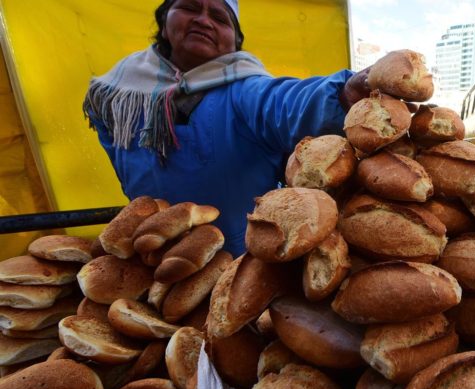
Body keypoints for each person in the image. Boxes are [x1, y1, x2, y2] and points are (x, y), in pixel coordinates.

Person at [83, 0, 370, 256]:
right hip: (152, 259)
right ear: (164, 21)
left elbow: (286, 103)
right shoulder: (117, 95)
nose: (204, 20)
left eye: (220, 17)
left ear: (234, 42)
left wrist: (343, 93)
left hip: (241, 261)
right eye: (190, 7)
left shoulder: (244, 90)